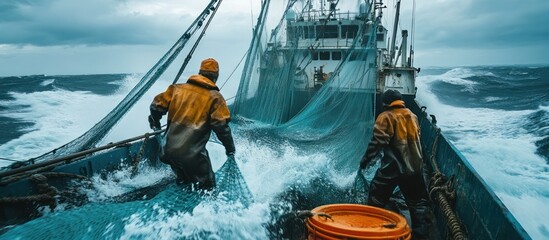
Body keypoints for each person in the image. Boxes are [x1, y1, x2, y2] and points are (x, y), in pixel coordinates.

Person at [148, 58, 235, 190]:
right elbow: (222, 128)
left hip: (167, 152)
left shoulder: (176, 89)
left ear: (199, 73)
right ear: (215, 77)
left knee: (184, 182)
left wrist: (155, 122)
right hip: (193, 157)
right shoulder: (215, 98)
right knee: (208, 188)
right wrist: (230, 149)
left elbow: (155, 107)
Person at [359, 89, 430, 239]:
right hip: (415, 168)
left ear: (385, 103)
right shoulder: (413, 115)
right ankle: (420, 236)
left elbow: (377, 143)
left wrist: (365, 161)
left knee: (376, 200)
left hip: (392, 168)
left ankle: (372, 231)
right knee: (418, 205)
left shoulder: (385, 117)